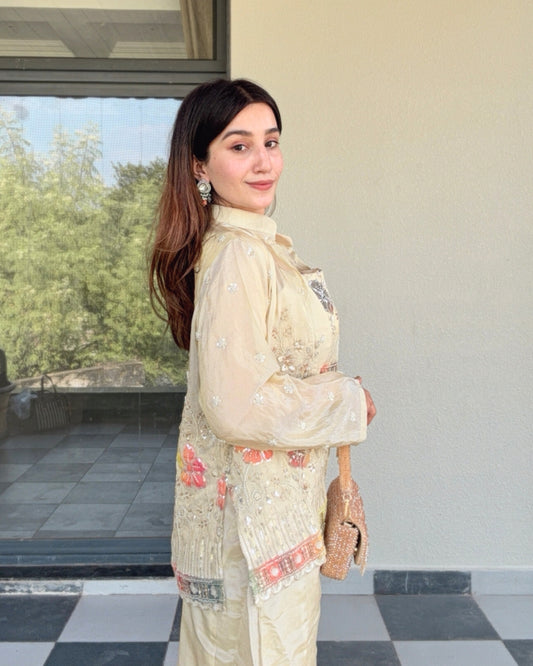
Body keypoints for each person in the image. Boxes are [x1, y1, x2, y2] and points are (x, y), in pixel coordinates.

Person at [149, 78, 376, 666]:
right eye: (239, 145)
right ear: (199, 164)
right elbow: (237, 406)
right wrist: (346, 402)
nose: (263, 161)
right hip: (252, 535)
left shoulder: (257, 245)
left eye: (271, 142)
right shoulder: (239, 254)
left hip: (273, 517)